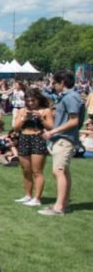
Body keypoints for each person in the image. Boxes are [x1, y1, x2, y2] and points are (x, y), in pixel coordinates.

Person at [40, 71, 86, 216]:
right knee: (64, 171)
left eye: (55, 83)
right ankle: (63, 204)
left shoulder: (71, 97)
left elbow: (74, 121)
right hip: (63, 137)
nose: (53, 85)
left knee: (58, 171)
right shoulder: (67, 97)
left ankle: (59, 207)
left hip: (65, 138)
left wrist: (52, 132)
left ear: (62, 83)